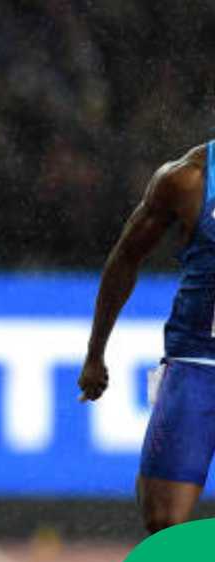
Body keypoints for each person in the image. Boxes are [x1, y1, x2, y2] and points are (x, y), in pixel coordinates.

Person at [79, 141, 212, 536]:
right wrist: (95, 353)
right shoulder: (188, 180)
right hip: (198, 366)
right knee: (164, 525)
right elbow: (126, 257)